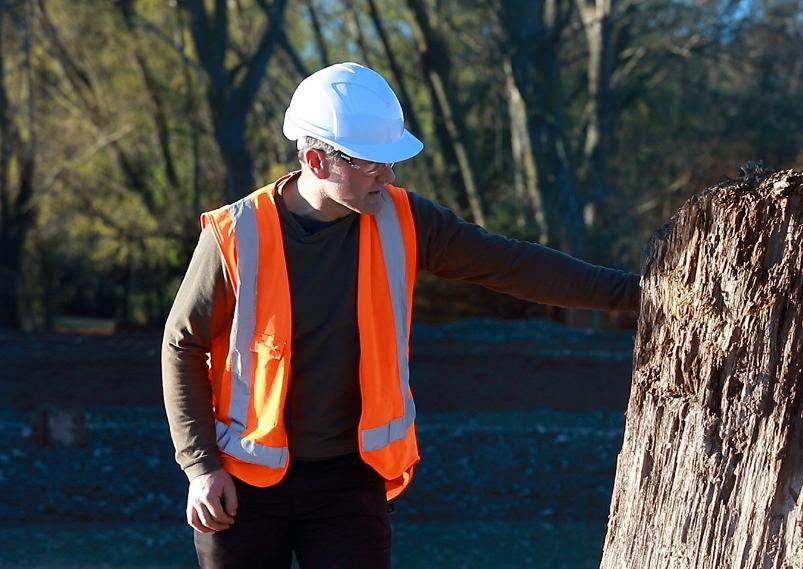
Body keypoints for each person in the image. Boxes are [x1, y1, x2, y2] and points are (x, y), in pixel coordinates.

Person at [161, 62, 639, 569]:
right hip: (241, 484)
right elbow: (181, 343)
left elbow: (514, 265)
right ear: (318, 162)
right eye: (373, 163)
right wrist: (201, 467)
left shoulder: (406, 218)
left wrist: (639, 295)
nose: (388, 176)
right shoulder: (236, 234)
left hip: (350, 484)